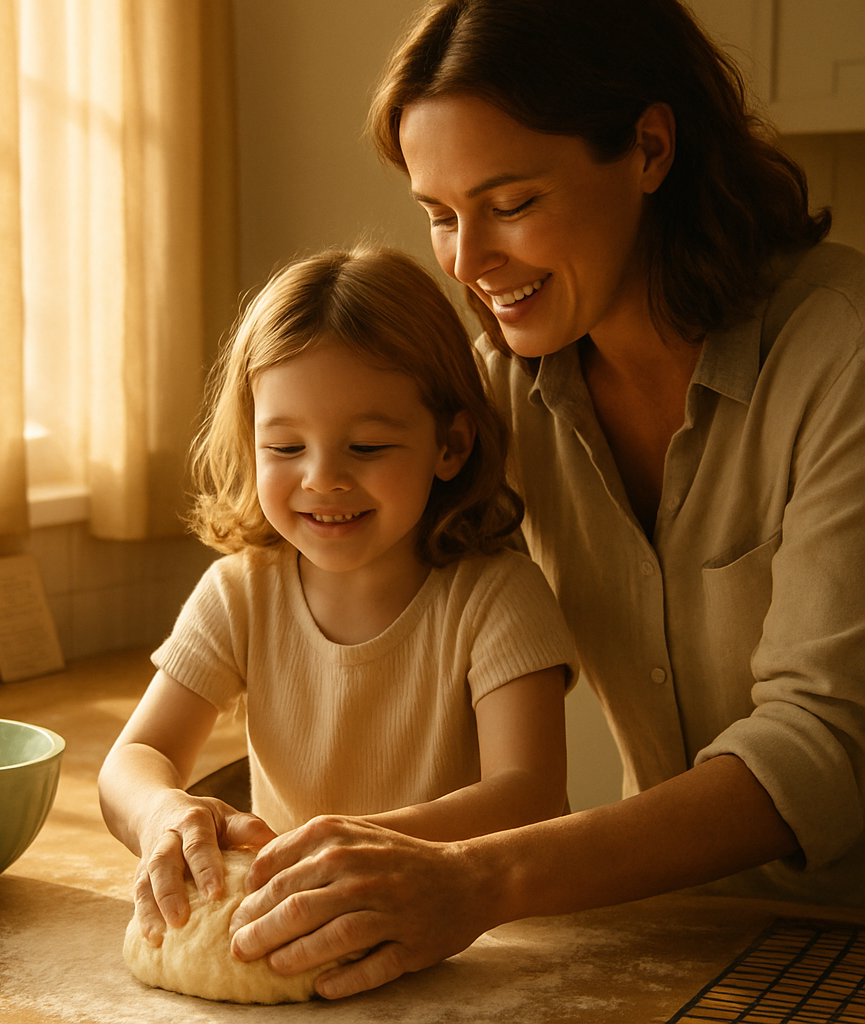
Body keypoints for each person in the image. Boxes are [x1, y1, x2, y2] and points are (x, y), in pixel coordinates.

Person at [224, 0, 865, 1000]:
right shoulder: (508, 393)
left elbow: (822, 744)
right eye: (441, 214)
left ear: (650, 148)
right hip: (679, 934)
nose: (469, 265)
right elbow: (387, 576)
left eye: (510, 202)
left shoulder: (842, 354)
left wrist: (476, 876)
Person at [98, 244, 576, 946]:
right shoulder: (241, 593)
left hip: (486, 945)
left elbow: (527, 795)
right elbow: (130, 761)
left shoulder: (497, 598)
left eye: (368, 447)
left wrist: (355, 847)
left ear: (450, 445)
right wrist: (162, 812)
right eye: (286, 448)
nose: (322, 479)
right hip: (314, 935)